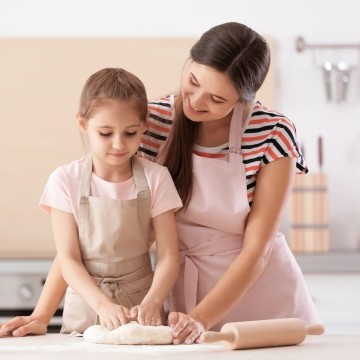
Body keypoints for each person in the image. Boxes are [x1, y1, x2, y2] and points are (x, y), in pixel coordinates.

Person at [0, 22, 323, 344]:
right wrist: (41, 316)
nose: (196, 101)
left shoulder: (273, 132)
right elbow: (85, 234)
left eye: (217, 98)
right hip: (180, 294)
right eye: (193, 81)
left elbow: (258, 247)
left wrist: (202, 318)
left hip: (261, 294)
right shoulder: (146, 123)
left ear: (244, 98)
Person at [0, 68, 182, 334]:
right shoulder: (65, 180)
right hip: (86, 305)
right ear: (83, 124)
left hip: (142, 308)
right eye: (105, 133)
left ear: (144, 124)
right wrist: (101, 305)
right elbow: (68, 259)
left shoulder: (157, 179)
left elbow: (168, 256)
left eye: (130, 133)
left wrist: (153, 301)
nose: (119, 144)